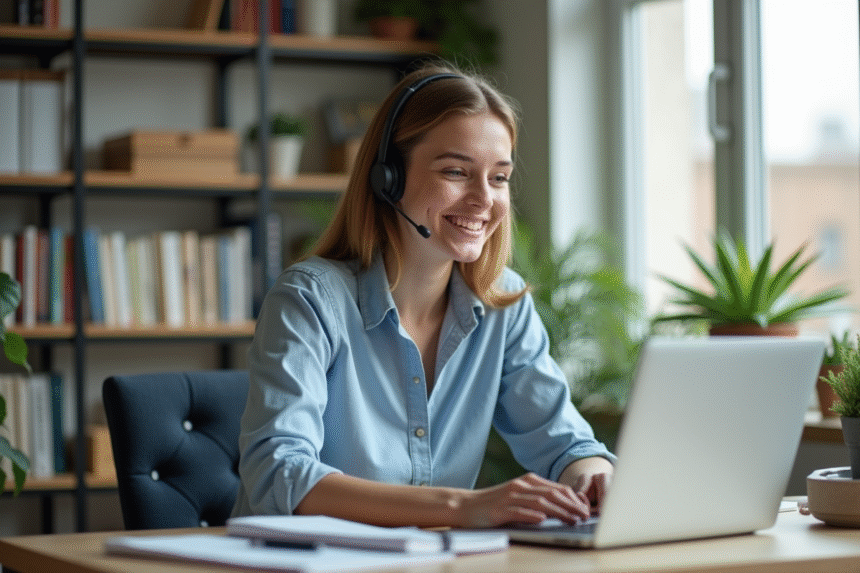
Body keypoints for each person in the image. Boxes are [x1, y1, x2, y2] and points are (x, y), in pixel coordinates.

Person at [232, 62, 615, 528]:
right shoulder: (309, 301)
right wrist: (462, 506)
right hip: (307, 558)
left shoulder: (504, 302)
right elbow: (278, 475)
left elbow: (565, 443)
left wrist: (592, 474)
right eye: (456, 171)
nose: (484, 199)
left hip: (436, 558)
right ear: (387, 178)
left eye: (499, 178)